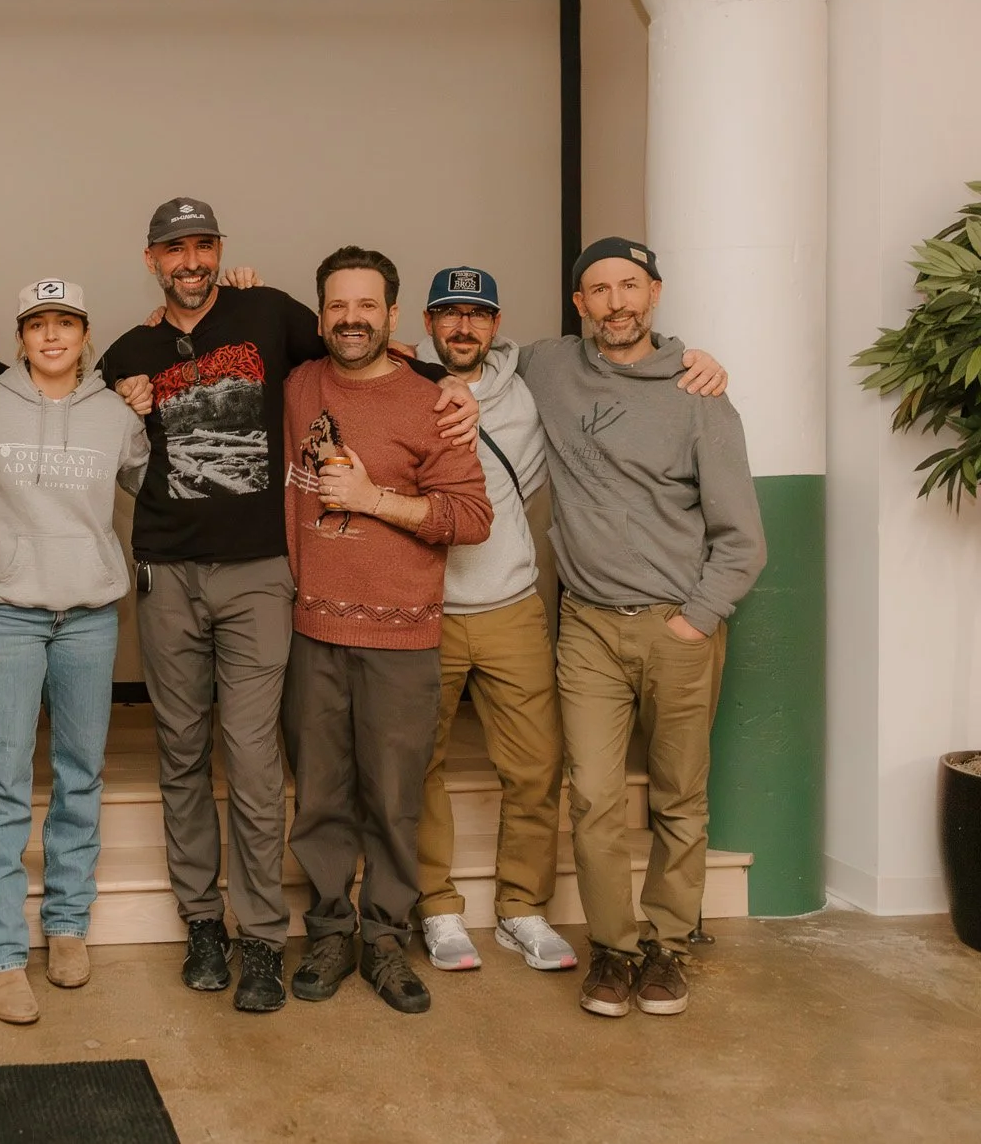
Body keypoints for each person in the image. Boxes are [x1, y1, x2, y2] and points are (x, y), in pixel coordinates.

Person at [101, 198, 478, 1014]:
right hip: (166, 572)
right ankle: (204, 921)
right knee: (179, 752)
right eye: (175, 250)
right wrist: (126, 393)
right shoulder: (125, 351)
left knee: (256, 756)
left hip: (261, 575)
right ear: (151, 259)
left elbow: (368, 354)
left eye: (204, 246)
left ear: (221, 250)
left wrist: (453, 386)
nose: (191, 261)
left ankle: (266, 936)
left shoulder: (270, 314)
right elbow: (98, 431)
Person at [411, 267, 729, 975]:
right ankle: (436, 904)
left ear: (498, 327)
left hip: (513, 604)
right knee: (418, 765)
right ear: (426, 323)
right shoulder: (404, 387)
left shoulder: (533, 384)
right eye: (449, 314)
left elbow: (628, 360)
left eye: (478, 315)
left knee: (537, 767)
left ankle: (521, 905)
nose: (463, 328)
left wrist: (693, 356)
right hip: (424, 608)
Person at [520, 238, 766, 1019]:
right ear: (579, 304)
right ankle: (614, 950)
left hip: (677, 628)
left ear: (655, 293)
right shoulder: (549, 367)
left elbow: (742, 537)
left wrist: (696, 620)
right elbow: (453, 344)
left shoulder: (700, 394)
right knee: (592, 793)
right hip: (587, 626)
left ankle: (666, 943)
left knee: (677, 798)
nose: (616, 301)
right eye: (599, 289)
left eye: (630, 286)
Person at [281, 247, 494, 1016]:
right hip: (313, 629)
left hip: (403, 635)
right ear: (320, 314)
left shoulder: (431, 399)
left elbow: (472, 517)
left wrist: (374, 498)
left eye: (367, 306)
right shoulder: (299, 384)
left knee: (395, 797)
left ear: (394, 315)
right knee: (321, 797)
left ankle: (385, 938)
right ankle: (331, 929)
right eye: (338, 305)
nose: (351, 319)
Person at [0, 279, 149, 1025]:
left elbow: (149, 486)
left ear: (84, 333)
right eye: (37, 323)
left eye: (64, 322)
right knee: (3, 781)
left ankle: (67, 924)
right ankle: (4, 951)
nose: (50, 335)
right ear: (20, 335)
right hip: (6, 613)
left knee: (81, 774)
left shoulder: (115, 413)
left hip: (91, 615)